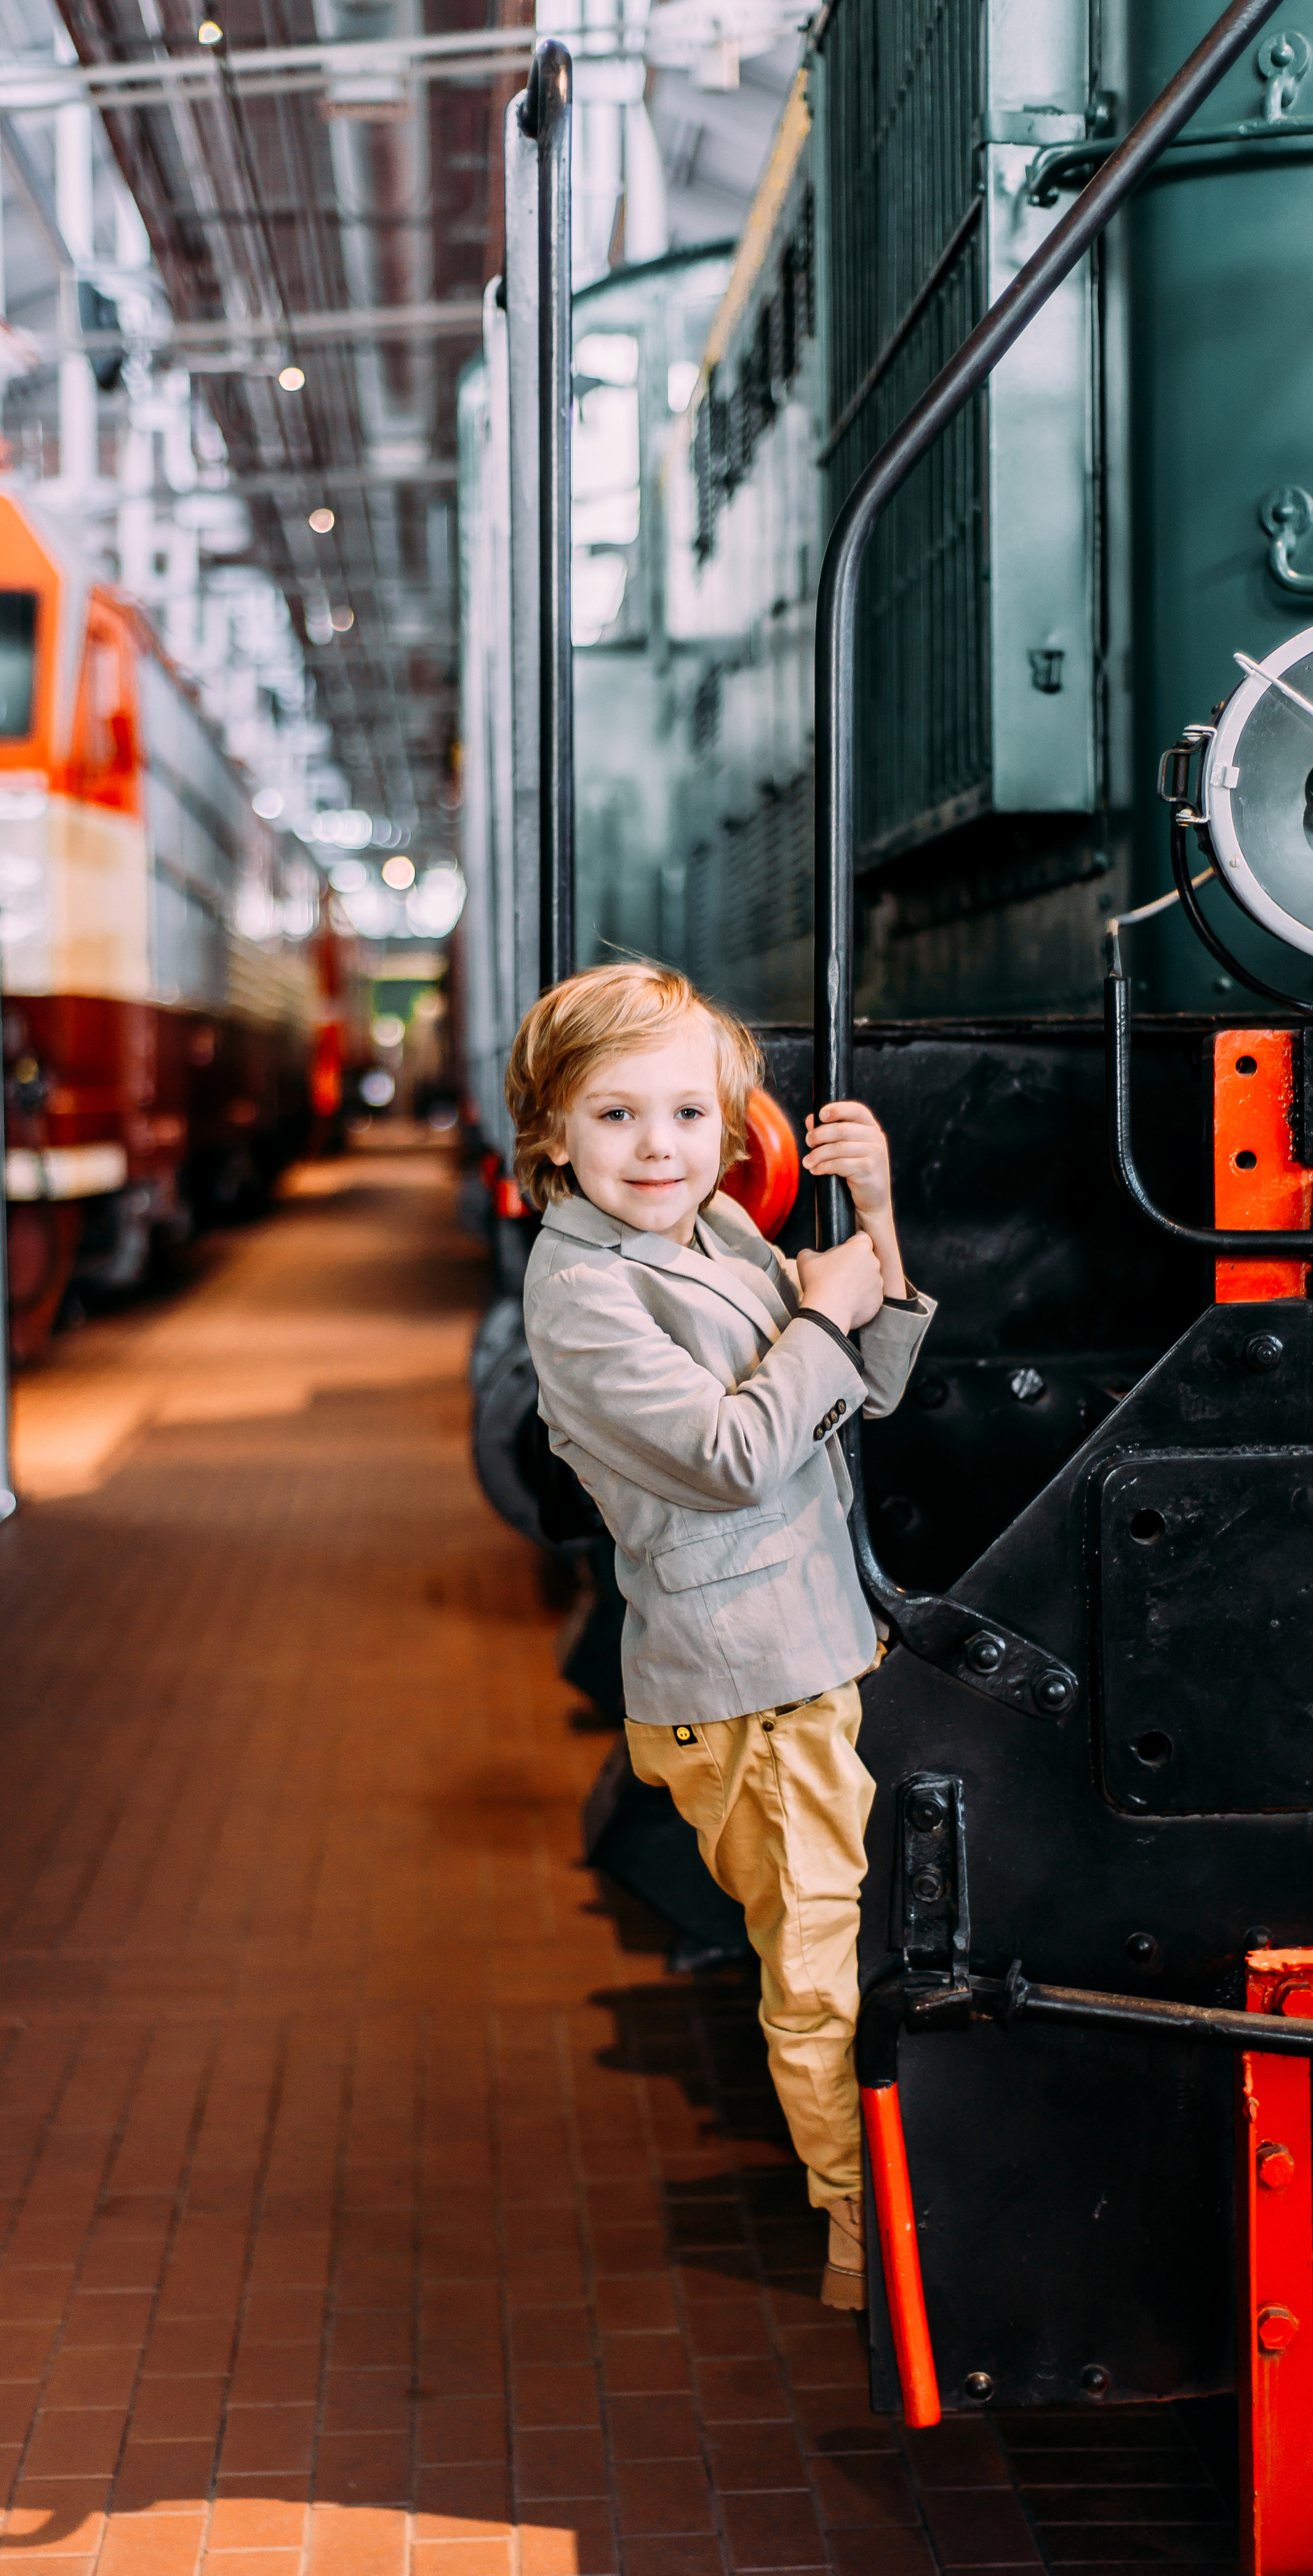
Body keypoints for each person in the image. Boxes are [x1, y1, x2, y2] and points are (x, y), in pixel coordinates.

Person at [510, 962, 934, 2309]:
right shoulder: (582, 1293)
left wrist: (872, 1219)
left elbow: (862, 1386)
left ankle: (896, 2237)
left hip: (816, 1645)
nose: (660, 1147)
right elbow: (737, 1449)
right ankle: (877, 2263)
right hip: (744, 1687)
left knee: (845, 1953)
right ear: (554, 1133)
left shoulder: (714, 1238)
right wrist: (821, 1308)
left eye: (690, 1114)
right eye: (618, 1115)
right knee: (817, 1978)